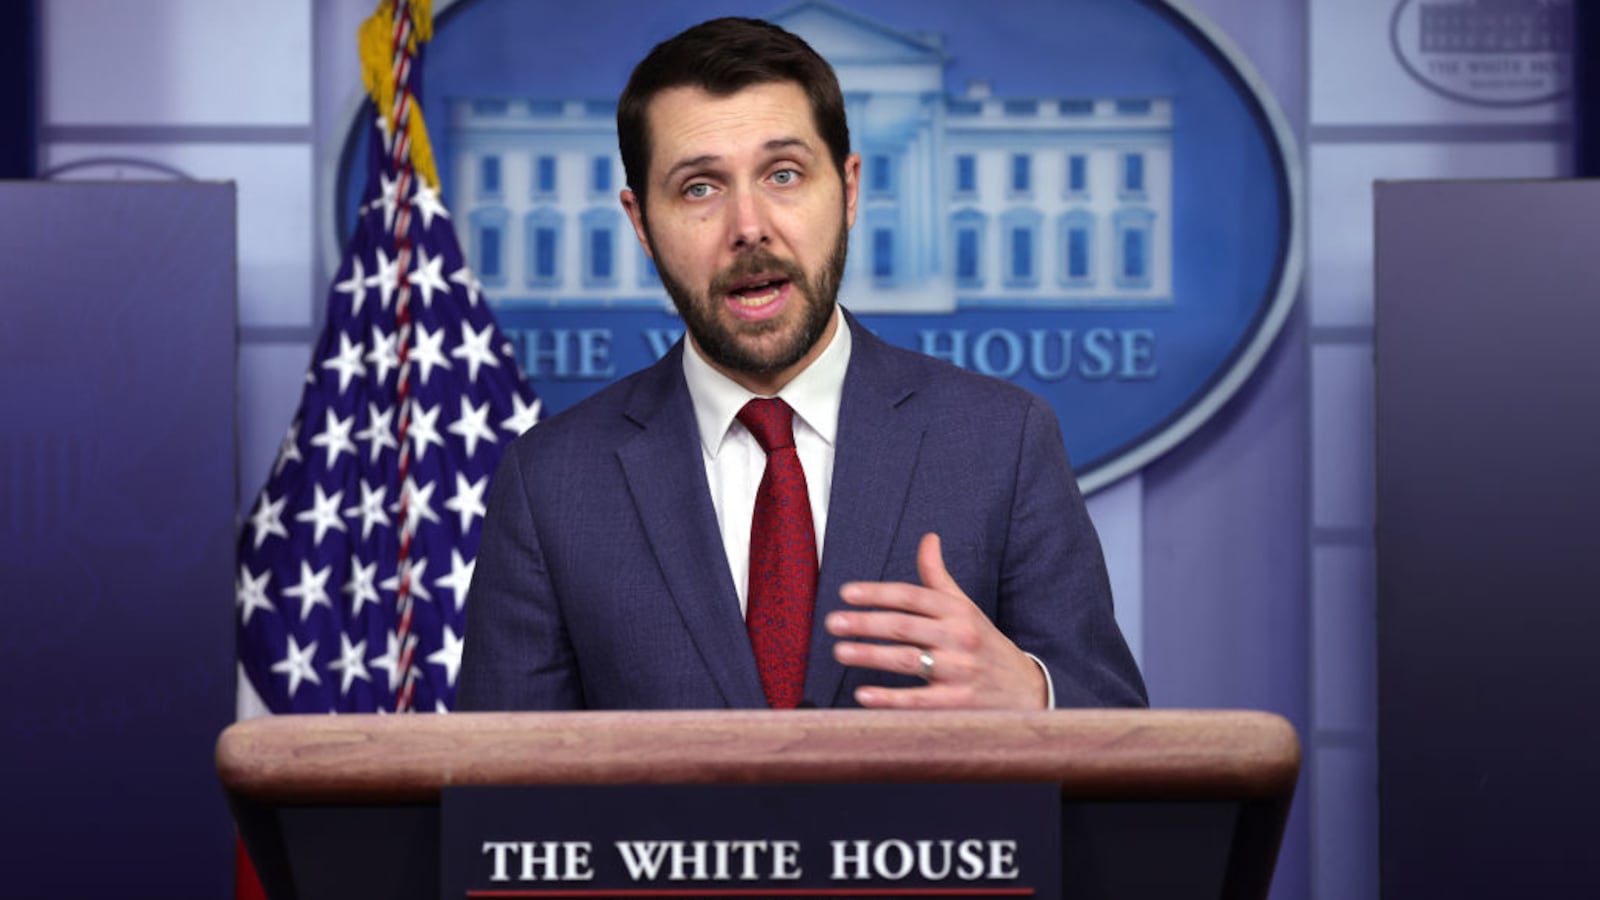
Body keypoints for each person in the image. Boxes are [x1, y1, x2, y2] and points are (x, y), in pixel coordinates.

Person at [456, 17, 1146, 711]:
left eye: (783, 174)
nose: (749, 226)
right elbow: (500, 795)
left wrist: (1034, 697)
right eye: (700, 188)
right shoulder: (550, 483)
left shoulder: (1004, 440)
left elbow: (1122, 740)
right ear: (641, 224)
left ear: (847, 191)